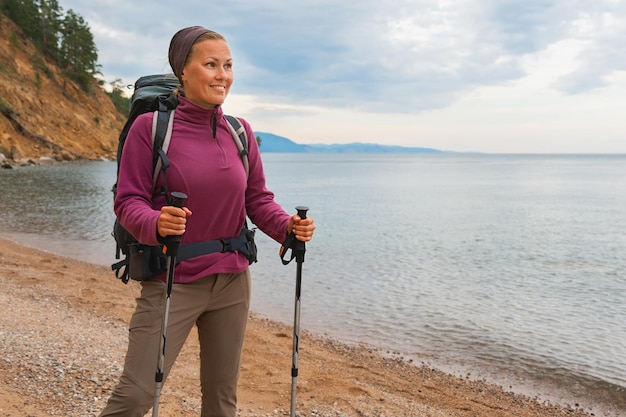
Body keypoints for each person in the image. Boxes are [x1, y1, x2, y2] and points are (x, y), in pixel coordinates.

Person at [99, 26, 315, 417]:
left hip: (232, 281)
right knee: (136, 396)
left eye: (228, 65)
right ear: (183, 70)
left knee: (221, 400)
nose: (222, 75)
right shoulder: (151, 130)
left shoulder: (240, 132)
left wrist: (287, 227)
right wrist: (156, 222)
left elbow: (257, 199)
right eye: (211, 64)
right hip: (172, 278)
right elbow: (128, 201)